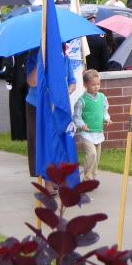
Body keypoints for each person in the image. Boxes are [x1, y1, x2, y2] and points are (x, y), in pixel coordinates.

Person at [25, 46, 76, 193]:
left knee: (59, 143)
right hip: (37, 106)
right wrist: (41, 61)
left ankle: (59, 179)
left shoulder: (64, 59)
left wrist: (66, 91)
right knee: (43, 144)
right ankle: (47, 181)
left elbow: (72, 81)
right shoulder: (34, 56)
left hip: (58, 108)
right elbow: (32, 82)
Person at [73, 69, 111, 181]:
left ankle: (93, 176)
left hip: (98, 132)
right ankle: (87, 177)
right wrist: (81, 125)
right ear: (85, 85)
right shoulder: (82, 101)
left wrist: (107, 119)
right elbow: (76, 116)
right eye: (93, 84)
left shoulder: (102, 97)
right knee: (92, 154)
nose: (96, 87)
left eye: (98, 84)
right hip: (86, 133)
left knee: (97, 157)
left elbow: (104, 110)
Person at [4, 53, 29, 141]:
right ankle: (28, 134)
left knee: (16, 109)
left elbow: (10, 62)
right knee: (27, 108)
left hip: (16, 78)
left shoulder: (13, 45)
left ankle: (18, 136)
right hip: (28, 77)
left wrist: (9, 79)